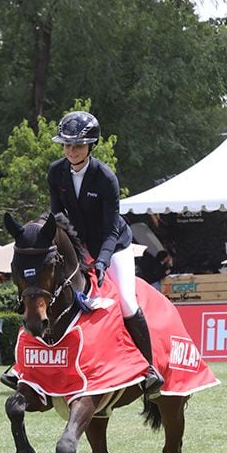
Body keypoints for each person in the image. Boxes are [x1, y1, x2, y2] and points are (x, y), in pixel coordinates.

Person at [47, 111, 164, 395]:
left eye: (77, 145)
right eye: (66, 145)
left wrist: (101, 262)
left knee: (125, 301)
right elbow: (57, 217)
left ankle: (149, 370)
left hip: (114, 246)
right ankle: (25, 368)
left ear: (90, 146)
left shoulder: (105, 178)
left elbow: (111, 229)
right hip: (78, 246)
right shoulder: (56, 172)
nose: (70, 150)